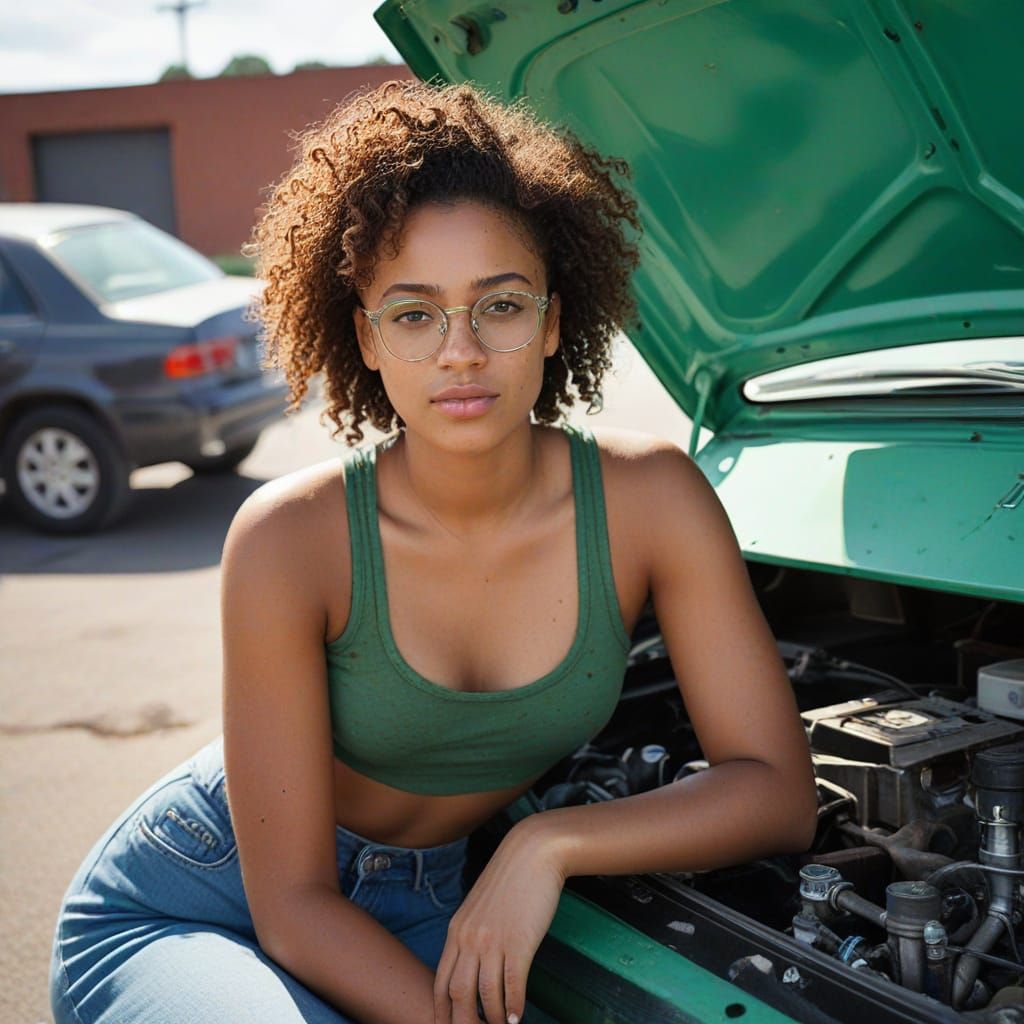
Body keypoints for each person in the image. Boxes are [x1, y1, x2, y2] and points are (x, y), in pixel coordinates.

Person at [48, 79, 818, 1024]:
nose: (460, 352)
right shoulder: (292, 537)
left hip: (427, 904)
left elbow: (778, 792)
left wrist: (547, 847)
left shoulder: (652, 500)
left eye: (499, 305)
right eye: (414, 314)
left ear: (554, 322)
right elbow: (291, 908)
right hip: (199, 906)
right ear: (365, 340)